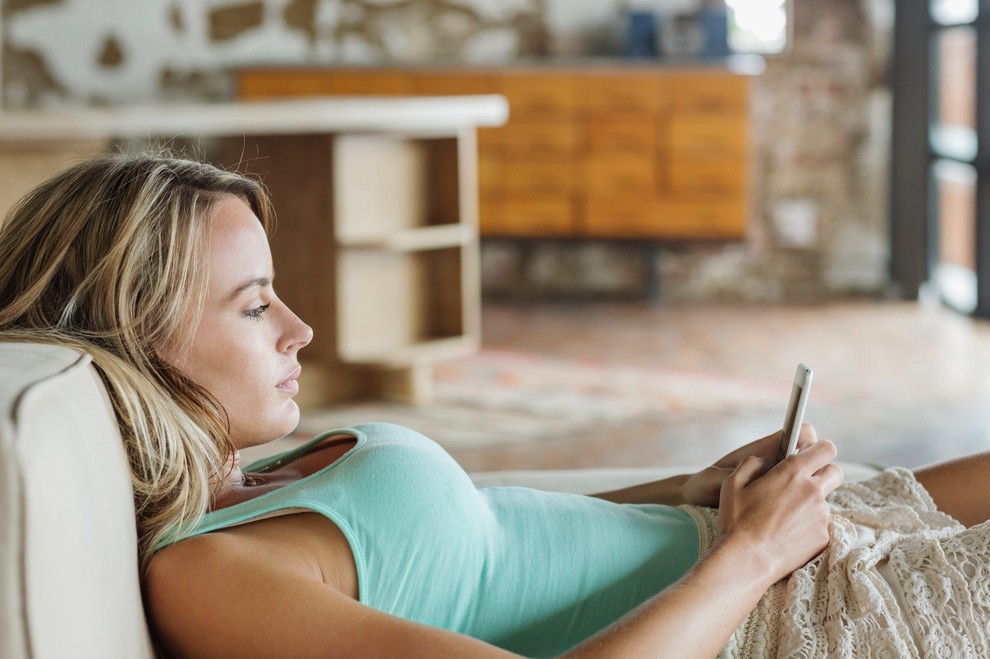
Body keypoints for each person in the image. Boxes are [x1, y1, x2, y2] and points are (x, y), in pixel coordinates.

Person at [0, 151, 987, 658]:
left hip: (769, 556)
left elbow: (488, 548)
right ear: (136, 333)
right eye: (256, 305)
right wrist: (751, 554)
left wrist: (695, 485)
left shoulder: (259, 476)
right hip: (784, 618)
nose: (300, 329)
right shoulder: (208, 570)